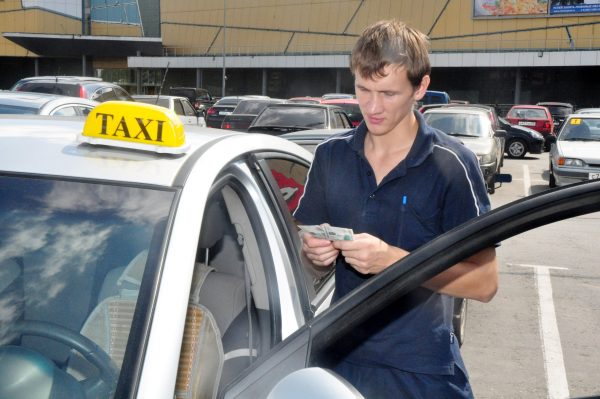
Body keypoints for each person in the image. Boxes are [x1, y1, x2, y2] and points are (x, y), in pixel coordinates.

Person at [293, 19, 498, 398]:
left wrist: (392, 261)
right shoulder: (331, 156)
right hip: (339, 360)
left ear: (421, 87)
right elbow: (306, 262)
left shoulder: (452, 164)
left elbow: (484, 283)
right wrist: (315, 256)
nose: (371, 107)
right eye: (362, 89)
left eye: (388, 93)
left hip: (420, 369)